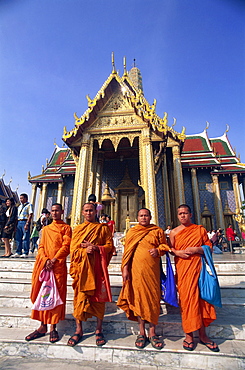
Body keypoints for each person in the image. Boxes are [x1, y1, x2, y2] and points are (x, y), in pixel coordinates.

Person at [117, 208, 170, 350]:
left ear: (151, 217)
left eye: (146, 215)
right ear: (137, 217)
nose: (144, 218)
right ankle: (141, 332)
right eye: (141, 215)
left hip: (152, 273)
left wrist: (158, 250)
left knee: (153, 300)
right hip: (136, 272)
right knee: (139, 300)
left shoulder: (157, 231)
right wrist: (125, 269)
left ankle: (152, 332)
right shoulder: (133, 232)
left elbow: (165, 246)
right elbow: (127, 253)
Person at [169, 204, 219, 352]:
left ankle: (203, 335)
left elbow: (208, 247)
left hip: (199, 270)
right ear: (177, 216)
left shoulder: (199, 230)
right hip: (184, 270)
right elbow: (171, 249)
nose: (183, 216)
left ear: (190, 215)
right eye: (180, 214)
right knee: (187, 302)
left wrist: (196, 249)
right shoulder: (174, 232)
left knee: (201, 302)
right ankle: (189, 335)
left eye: (185, 213)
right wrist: (178, 253)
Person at [68, 202, 113, 347]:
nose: (89, 213)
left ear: (96, 212)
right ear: (82, 213)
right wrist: (84, 251)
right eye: (86, 211)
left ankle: (98, 330)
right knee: (80, 298)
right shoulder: (78, 230)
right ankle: (79, 329)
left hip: (97, 269)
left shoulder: (103, 228)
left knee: (99, 300)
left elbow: (110, 247)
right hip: (82, 270)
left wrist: (96, 248)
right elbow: (73, 251)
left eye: (91, 211)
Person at [25, 203, 72, 343]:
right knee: (42, 295)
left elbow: (66, 247)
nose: (55, 213)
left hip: (57, 267)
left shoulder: (66, 228)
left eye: (57, 211)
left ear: (62, 212)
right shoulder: (46, 229)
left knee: (55, 296)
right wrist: (46, 260)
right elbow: (41, 247)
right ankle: (42, 326)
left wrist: (54, 260)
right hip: (44, 266)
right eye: (53, 211)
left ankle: (53, 327)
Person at [12, 193, 34, 257]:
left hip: (25, 221)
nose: (20, 199)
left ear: (26, 198)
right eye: (20, 198)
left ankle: (25, 252)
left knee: (25, 237)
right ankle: (18, 251)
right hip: (19, 222)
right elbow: (17, 216)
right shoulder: (19, 206)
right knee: (18, 237)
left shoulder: (29, 205)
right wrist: (15, 225)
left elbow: (30, 214)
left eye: (22, 198)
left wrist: (27, 223)